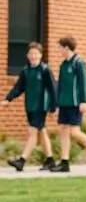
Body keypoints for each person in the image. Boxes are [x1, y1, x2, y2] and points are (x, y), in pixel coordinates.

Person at [52, 36, 86, 172]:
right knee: (63, 130)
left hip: (76, 103)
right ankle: (64, 162)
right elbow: (61, 86)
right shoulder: (63, 65)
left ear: (66, 48)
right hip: (64, 103)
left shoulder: (79, 63)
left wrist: (84, 101)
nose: (59, 50)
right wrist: (58, 104)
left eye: (60, 48)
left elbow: (85, 83)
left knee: (74, 132)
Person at [4, 42, 57, 172]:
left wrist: (53, 107)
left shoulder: (45, 70)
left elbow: (53, 89)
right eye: (31, 53)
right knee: (41, 131)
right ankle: (50, 160)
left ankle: (21, 161)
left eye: (36, 53)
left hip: (41, 106)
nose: (33, 56)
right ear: (28, 55)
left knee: (33, 132)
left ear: (40, 55)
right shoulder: (26, 71)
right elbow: (18, 88)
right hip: (29, 106)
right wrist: (7, 99)